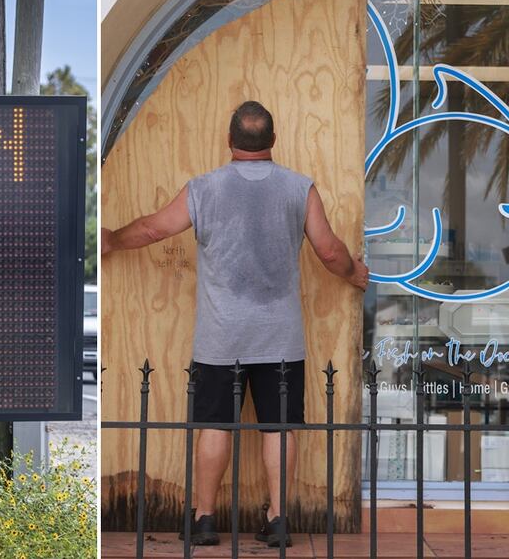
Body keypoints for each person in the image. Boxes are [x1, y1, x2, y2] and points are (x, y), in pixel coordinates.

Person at [101, 100, 369, 547]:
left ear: (230, 140)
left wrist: (112, 239)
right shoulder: (298, 188)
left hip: (220, 337)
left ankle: (204, 519)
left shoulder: (203, 189)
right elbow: (329, 251)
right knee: (279, 428)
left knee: (215, 425)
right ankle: (279, 519)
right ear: (272, 141)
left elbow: (152, 229)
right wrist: (353, 273)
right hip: (280, 338)